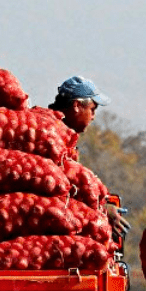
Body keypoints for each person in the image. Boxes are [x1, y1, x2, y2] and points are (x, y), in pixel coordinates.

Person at [48, 75, 131, 241]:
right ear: (77, 106)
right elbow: (56, 191)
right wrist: (100, 210)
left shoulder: (66, 139)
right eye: (92, 109)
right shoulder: (51, 136)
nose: (93, 116)